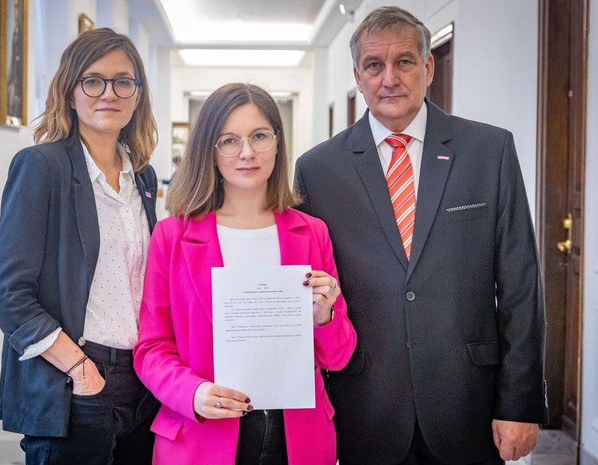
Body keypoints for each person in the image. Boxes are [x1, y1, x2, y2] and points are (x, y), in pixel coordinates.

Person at [294, 6, 548, 465]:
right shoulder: (317, 170)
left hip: (468, 404)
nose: (389, 78)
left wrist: (520, 403)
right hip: (364, 408)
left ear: (428, 67)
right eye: (374, 65)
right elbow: (307, 290)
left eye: (404, 61)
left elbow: (520, 286)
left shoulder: (489, 151)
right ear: (358, 76)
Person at [133, 83, 357, 465]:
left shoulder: (312, 232)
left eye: (259, 136)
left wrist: (325, 317)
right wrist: (193, 393)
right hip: (203, 434)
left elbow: (338, 357)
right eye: (229, 141)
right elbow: (151, 349)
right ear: (210, 151)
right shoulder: (172, 237)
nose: (247, 152)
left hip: (296, 435)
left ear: (277, 143)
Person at [0, 28, 159, 465]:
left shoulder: (143, 176)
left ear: (137, 95)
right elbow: (8, 293)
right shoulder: (42, 166)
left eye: (123, 81)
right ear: (70, 92)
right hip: (75, 379)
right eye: (93, 81)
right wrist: (82, 371)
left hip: (142, 379)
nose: (109, 93)